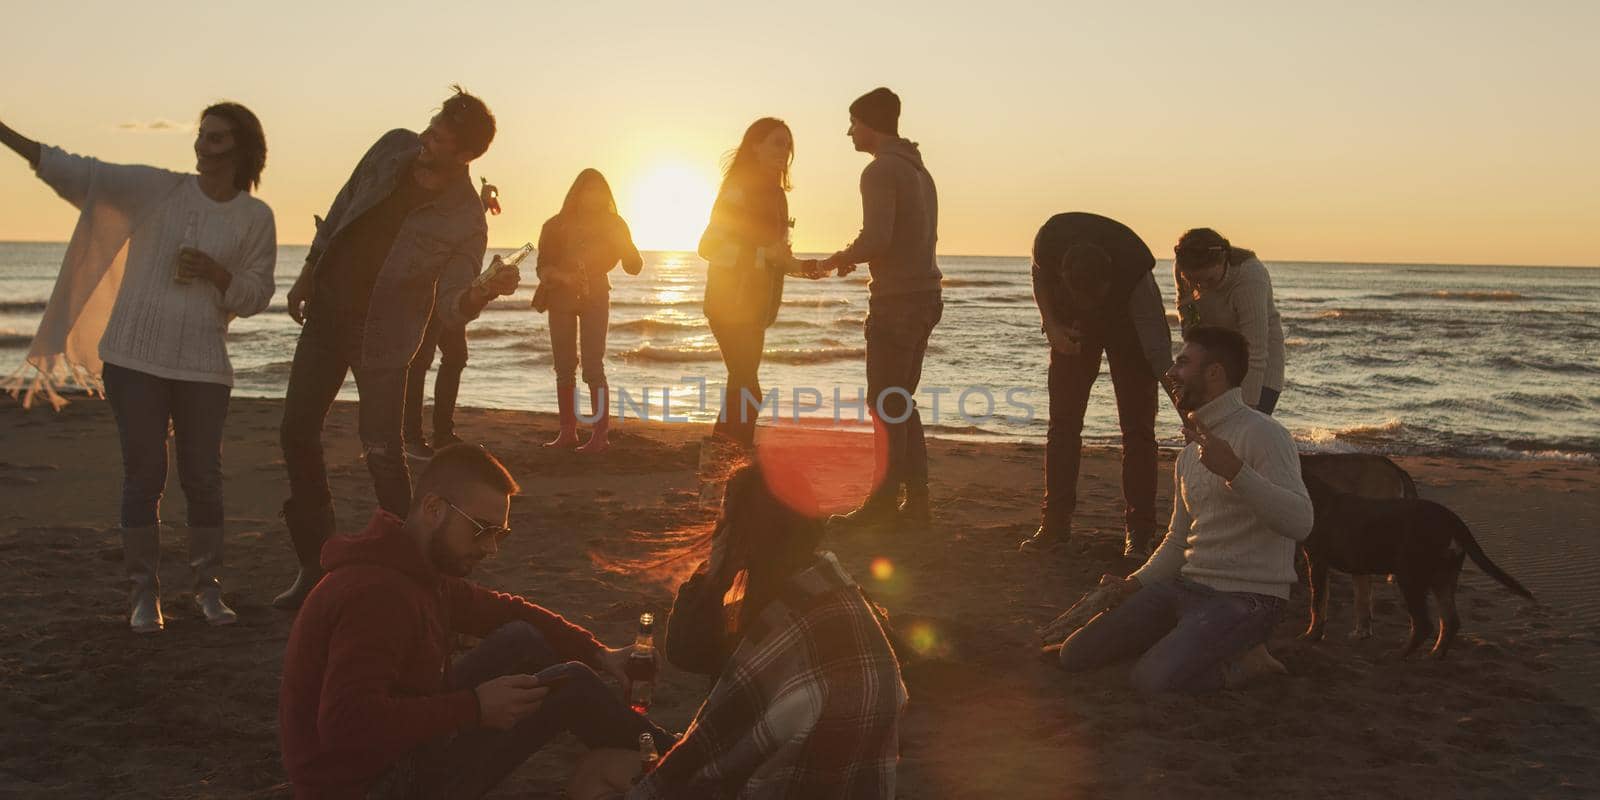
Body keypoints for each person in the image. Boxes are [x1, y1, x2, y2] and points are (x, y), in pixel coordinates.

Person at [1, 105, 276, 633]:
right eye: (200, 137)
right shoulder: (158, 189)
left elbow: (258, 294)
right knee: (143, 474)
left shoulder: (255, 217)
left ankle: (207, 590)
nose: (201, 147)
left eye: (214, 139)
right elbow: (81, 172)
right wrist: (5, 134)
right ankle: (143, 596)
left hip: (203, 365)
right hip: (132, 358)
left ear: (239, 147)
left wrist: (218, 273)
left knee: (204, 478)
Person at [278, 444, 673, 798]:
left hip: (395, 747)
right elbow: (346, 724)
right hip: (370, 784)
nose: (490, 548)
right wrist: (474, 708)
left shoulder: (416, 568)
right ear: (434, 510)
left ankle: (664, 755)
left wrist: (600, 653)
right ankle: (685, 761)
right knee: (569, 684)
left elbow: (506, 610)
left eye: (499, 533)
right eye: (482, 530)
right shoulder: (378, 595)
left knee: (523, 638)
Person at [273, 87, 520, 610]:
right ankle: (314, 565)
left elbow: (451, 307)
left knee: (383, 456)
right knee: (295, 432)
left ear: (465, 156)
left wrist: (482, 289)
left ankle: (416, 575)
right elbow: (342, 208)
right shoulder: (391, 148)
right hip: (327, 317)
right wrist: (308, 272)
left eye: (439, 138)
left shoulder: (465, 220)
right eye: (430, 128)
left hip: (384, 341)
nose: (426, 140)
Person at [569, 461, 907, 798]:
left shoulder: (772, 617)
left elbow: (687, 653)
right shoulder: (831, 587)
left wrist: (713, 577)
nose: (718, 528)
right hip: (851, 783)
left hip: (773, 781)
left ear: (741, 530)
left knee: (597, 770)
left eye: (723, 520)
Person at [1049, 326, 1312, 693]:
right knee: (1074, 655)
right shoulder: (1190, 452)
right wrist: (1134, 583)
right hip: (1185, 588)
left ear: (1215, 373)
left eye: (1183, 363)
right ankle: (1182, 644)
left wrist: (1236, 472)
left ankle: (1249, 661)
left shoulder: (1264, 434)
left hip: (1248, 600)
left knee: (1151, 680)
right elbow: (1177, 542)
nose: (1172, 373)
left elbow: (1301, 522)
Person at [818, 88, 943, 531]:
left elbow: (878, 238)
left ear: (869, 123)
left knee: (884, 401)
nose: (849, 131)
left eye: (852, 122)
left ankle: (885, 501)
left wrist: (833, 260)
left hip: (898, 300)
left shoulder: (880, 170)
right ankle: (917, 499)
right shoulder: (918, 170)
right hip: (926, 295)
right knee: (900, 400)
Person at [1018, 213, 1172, 559]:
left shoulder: (1134, 273)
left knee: (1138, 431)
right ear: (1065, 278)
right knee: (1063, 424)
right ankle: (1055, 525)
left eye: (1096, 297)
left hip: (1130, 328)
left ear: (1109, 283)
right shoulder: (1049, 245)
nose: (1092, 304)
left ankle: (1140, 532)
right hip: (1073, 329)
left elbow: (1159, 352)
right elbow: (1038, 279)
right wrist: (1053, 327)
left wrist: (1187, 406)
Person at [697, 118, 822, 450]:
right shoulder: (738, 188)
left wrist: (813, 267)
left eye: (788, 145)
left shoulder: (778, 197)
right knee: (747, 387)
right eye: (777, 143)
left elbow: (777, 257)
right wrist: (760, 254)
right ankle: (731, 458)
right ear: (755, 145)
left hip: (757, 307)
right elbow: (708, 246)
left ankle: (723, 459)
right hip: (728, 303)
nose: (785, 151)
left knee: (741, 385)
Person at [533, 169, 644, 454]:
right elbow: (542, 266)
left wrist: (624, 245)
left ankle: (599, 435)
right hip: (560, 296)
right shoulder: (556, 225)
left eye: (600, 191)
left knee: (593, 365)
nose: (594, 196)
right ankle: (567, 432)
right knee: (564, 366)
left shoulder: (614, 224)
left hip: (596, 293)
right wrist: (560, 277)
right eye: (588, 190)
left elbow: (634, 266)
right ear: (577, 192)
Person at [402, 178, 500, 461]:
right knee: (420, 361)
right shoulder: (429, 190)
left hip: (451, 290)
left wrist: (480, 204)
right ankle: (412, 437)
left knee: (454, 357)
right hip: (429, 288)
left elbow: (458, 226)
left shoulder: (457, 196)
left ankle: (442, 433)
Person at [1173, 228, 1285, 413]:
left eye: (1208, 279)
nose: (1202, 287)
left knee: (1245, 433)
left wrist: (1246, 411)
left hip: (1260, 365)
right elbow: (1188, 308)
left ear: (1222, 262)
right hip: (1218, 360)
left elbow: (1255, 351)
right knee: (1207, 428)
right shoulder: (1182, 266)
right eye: (1194, 281)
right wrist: (1194, 354)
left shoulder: (1249, 278)